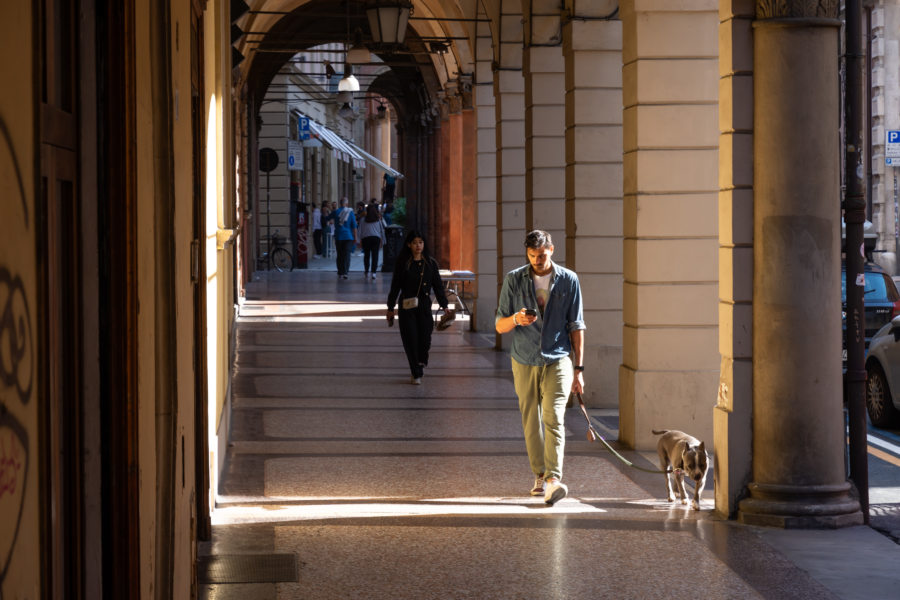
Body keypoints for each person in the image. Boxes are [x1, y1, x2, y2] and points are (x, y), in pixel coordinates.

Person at [495, 230, 585, 506]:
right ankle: (540, 475)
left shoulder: (569, 280)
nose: (537, 260)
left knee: (554, 417)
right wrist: (516, 319)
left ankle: (553, 479)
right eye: (532, 256)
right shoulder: (514, 279)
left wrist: (579, 369)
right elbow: (499, 325)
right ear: (527, 253)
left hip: (558, 358)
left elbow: (577, 325)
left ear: (552, 250)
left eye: (542, 255)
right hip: (524, 358)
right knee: (531, 420)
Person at [386, 230, 451, 384]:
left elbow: (438, 287)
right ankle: (416, 372)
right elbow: (395, 286)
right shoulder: (403, 264)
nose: (418, 246)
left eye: (420, 242)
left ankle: (421, 362)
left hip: (423, 306)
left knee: (425, 339)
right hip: (407, 306)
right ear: (409, 244)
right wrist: (390, 307)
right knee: (411, 339)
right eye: (414, 243)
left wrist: (445, 306)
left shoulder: (430, 263)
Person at [324, 197, 358, 279]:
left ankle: (340, 272)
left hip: (339, 236)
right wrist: (355, 238)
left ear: (340, 203)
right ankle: (346, 272)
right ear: (346, 204)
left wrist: (326, 211)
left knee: (339, 255)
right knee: (347, 255)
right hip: (348, 237)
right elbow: (354, 226)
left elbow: (327, 218)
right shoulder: (350, 212)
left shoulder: (336, 212)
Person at [359, 201, 386, 279]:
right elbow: (381, 231)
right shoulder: (378, 220)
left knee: (366, 256)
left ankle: (366, 271)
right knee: (375, 256)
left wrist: (359, 240)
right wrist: (382, 241)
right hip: (375, 239)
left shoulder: (363, 219)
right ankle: (373, 272)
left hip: (366, 239)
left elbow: (360, 230)